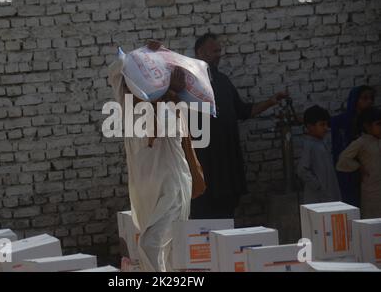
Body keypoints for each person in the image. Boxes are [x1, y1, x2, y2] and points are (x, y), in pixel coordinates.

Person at [107, 41, 200, 271]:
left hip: (172, 191)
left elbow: (156, 132)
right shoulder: (129, 109)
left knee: (150, 245)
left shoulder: (169, 109)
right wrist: (148, 54)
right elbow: (116, 71)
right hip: (148, 192)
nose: (131, 91)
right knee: (166, 254)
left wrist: (169, 94)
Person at [190, 33, 288, 219]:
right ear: (200, 53)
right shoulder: (188, 83)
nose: (219, 54)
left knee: (225, 215)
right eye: (214, 51)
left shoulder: (223, 81)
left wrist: (271, 101)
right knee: (203, 217)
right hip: (204, 165)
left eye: (220, 50)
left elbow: (244, 111)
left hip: (226, 165)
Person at [330, 85, 375, 206]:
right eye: (364, 98)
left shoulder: (373, 121)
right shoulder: (342, 122)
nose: (369, 101)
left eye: (371, 98)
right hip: (348, 173)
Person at [336, 108, 381, 218]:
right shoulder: (361, 142)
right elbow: (343, 160)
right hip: (371, 192)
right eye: (378, 124)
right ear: (367, 126)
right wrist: (358, 167)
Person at [297, 105, 341, 204]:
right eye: (322, 125)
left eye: (326, 124)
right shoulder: (309, 145)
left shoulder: (321, 143)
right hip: (318, 197)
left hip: (328, 194)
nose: (326, 128)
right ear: (310, 127)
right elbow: (302, 170)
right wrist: (318, 185)